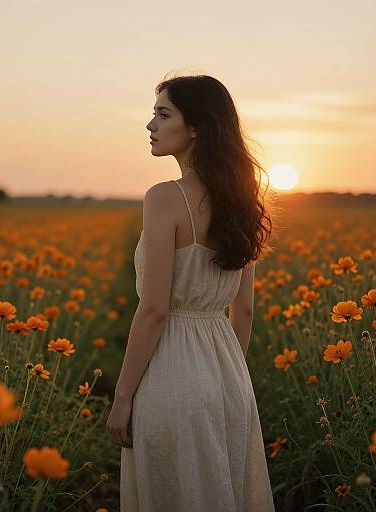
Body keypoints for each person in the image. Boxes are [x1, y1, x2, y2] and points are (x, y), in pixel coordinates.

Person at [106, 74, 277, 511]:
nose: (150, 125)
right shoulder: (243, 200)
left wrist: (122, 397)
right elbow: (246, 310)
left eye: (163, 115)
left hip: (172, 374)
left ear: (196, 127)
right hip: (228, 377)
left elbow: (155, 310)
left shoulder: (164, 198)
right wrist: (226, 375)